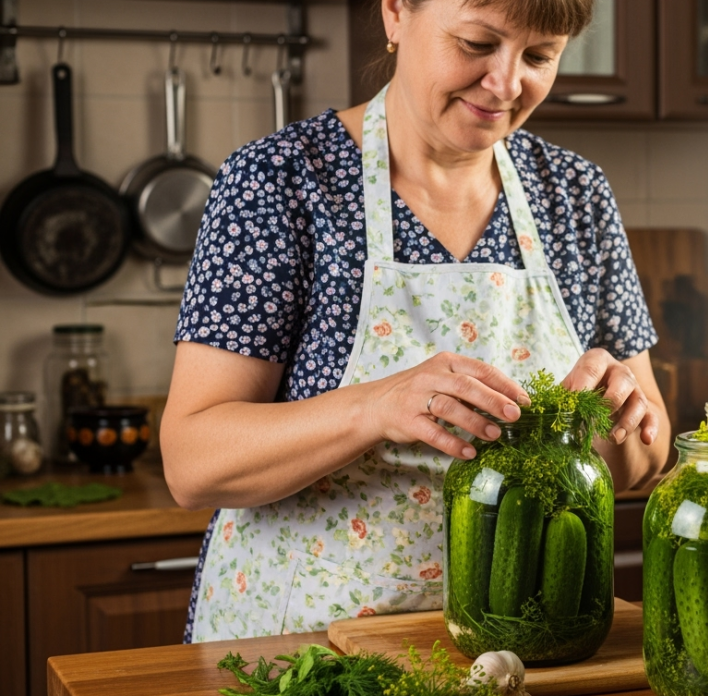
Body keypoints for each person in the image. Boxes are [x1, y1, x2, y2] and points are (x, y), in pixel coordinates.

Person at [161, 0, 668, 642]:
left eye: (539, 57)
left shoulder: (575, 196)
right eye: (478, 43)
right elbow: (191, 461)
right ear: (397, 13)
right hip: (307, 644)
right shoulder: (280, 181)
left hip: (520, 647)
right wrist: (376, 407)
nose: (508, 83)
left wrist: (611, 419)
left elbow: (647, 455)